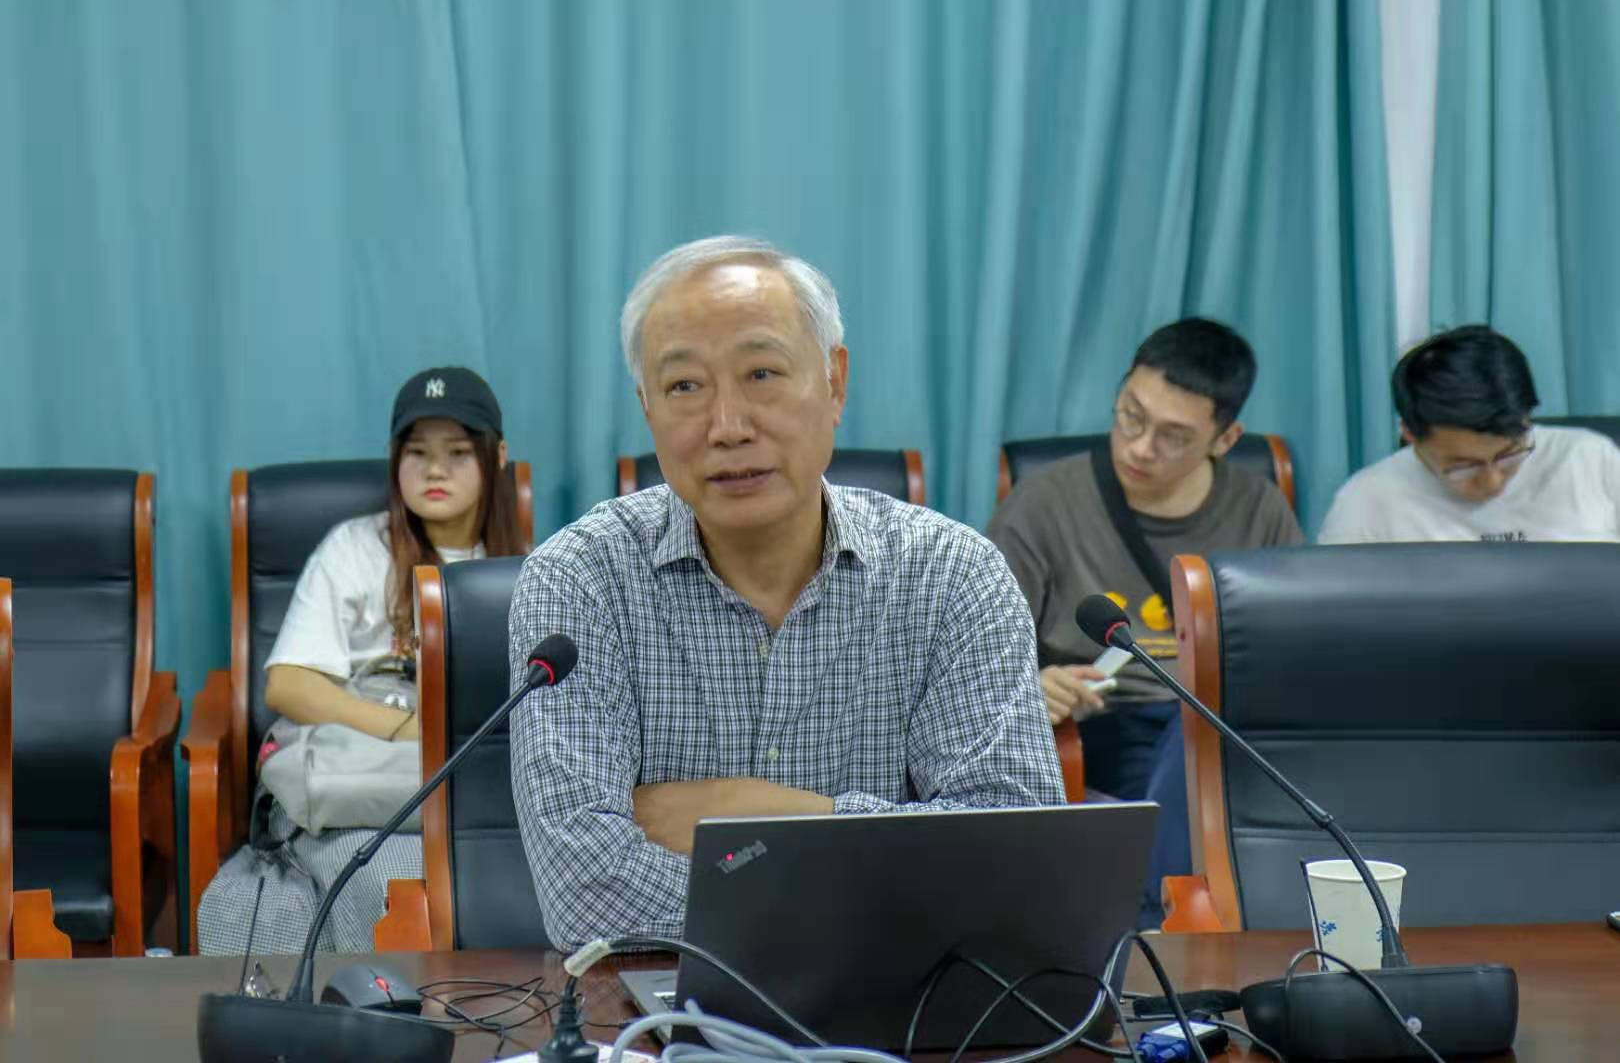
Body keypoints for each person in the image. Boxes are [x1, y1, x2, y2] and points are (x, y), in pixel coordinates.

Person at [508, 236, 1064, 951]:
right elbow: (584, 894)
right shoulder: (579, 581)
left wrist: (783, 816)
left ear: (835, 382)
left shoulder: (953, 576)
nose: (728, 428)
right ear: (646, 407)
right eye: (684, 388)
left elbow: (1014, 865)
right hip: (660, 1004)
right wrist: (887, 879)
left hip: (903, 1002)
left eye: (762, 374)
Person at [197, 366, 526, 955]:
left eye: (457, 453)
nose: (434, 470)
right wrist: (407, 728)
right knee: (383, 883)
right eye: (417, 452)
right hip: (363, 776)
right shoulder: (354, 547)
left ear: (497, 457)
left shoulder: (528, 569)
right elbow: (289, 684)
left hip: (469, 785)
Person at [986, 318, 1302, 926]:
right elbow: (976, 654)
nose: (1139, 447)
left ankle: (1158, 926)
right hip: (1106, 723)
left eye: (1173, 437)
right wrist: (1032, 687)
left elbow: (1291, 649)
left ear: (1225, 438)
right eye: (1131, 416)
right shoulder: (1044, 504)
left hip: (1224, 727)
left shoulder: (1259, 509)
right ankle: (1158, 926)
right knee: (1189, 746)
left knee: (1200, 726)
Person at [1320, 325, 1620, 543]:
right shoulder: (1366, 502)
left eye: (1509, 455)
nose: (1493, 481)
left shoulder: (1590, 461)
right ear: (1410, 434)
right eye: (1463, 467)